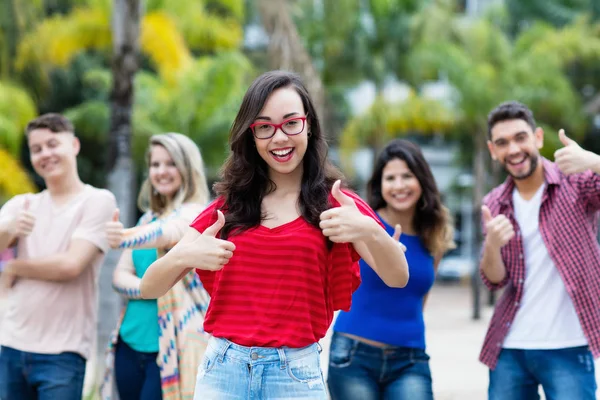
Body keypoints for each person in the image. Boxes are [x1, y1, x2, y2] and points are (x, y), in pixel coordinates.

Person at [139, 70, 410, 399]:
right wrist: (185, 255)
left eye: (290, 122)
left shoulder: (336, 203)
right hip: (222, 372)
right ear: (251, 136)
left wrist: (370, 230)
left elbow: (398, 277)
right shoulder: (227, 208)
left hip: (295, 376)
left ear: (308, 124)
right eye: (265, 127)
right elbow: (149, 286)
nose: (279, 138)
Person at [480, 101, 600, 400]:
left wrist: (593, 161)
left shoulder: (576, 181)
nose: (513, 149)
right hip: (509, 347)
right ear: (493, 150)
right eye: (502, 143)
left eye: (521, 137)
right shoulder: (494, 203)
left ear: (538, 138)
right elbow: (495, 279)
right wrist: (491, 246)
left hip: (568, 346)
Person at [327, 139, 455, 400]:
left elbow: (420, 299)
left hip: (410, 358)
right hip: (353, 356)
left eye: (407, 176)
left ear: (422, 180)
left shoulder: (434, 233)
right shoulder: (363, 224)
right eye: (390, 178)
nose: (399, 186)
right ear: (380, 184)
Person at [0, 113, 116, 400]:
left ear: (74, 145)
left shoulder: (97, 201)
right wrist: (8, 231)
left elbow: (70, 265)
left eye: (53, 144)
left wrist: (14, 266)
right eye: (37, 149)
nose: (45, 154)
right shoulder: (22, 204)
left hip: (63, 354)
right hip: (10, 345)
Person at [99, 133, 212, 400]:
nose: (161, 172)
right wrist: (149, 288)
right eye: (155, 164)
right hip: (128, 342)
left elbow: (168, 232)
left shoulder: (196, 213)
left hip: (172, 347)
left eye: (170, 163)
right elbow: (118, 277)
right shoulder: (147, 218)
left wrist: (126, 236)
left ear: (187, 168)